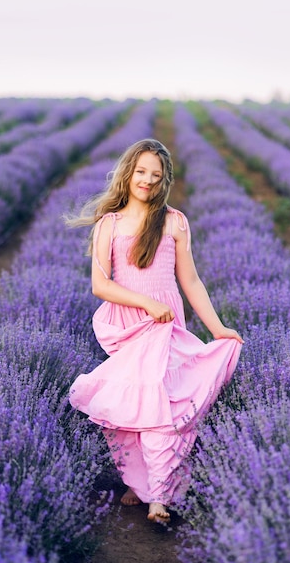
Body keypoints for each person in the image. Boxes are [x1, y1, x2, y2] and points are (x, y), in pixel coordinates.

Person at [68, 138, 244, 524]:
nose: (147, 180)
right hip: (131, 324)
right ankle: (141, 482)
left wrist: (218, 329)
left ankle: (158, 498)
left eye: (156, 175)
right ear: (128, 172)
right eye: (141, 171)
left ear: (164, 181)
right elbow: (101, 285)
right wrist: (147, 303)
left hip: (166, 328)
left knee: (163, 412)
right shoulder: (109, 224)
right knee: (131, 411)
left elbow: (191, 281)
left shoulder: (174, 221)